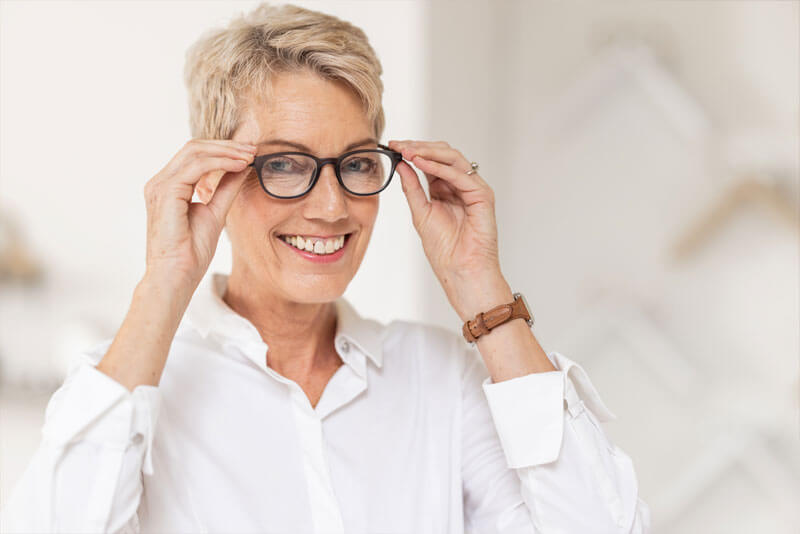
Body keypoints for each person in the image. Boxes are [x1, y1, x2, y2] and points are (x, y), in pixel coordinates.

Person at [1, 3, 650, 533]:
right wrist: (166, 278)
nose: (332, 205)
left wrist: (482, 284)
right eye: (285, 164)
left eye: (357, 163)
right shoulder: (137, 386)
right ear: (212, 176)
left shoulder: (439, 379)